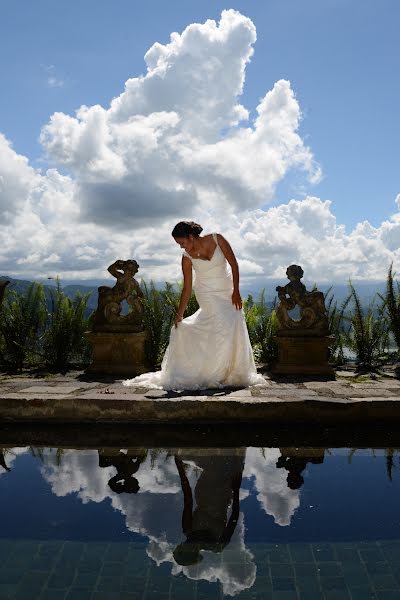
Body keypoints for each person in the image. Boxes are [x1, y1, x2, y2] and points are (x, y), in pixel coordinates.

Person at [123, 220, 265, 390]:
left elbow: (234, 265)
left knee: (233, 319)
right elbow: (187, 288)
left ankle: (230, 370)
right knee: (220, 323)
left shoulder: (217, 239)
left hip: (227, 290)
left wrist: (236, 291)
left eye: (182, 242)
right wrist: (179, 314)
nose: (181, 247)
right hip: (206, 293)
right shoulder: (187, 258)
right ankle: (216, 372)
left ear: (191, 237)